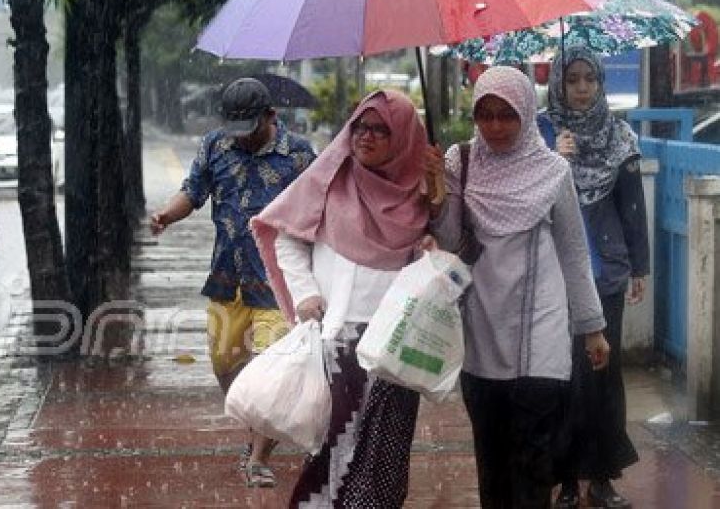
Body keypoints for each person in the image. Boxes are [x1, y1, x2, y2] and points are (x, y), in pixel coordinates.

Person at [426, 66, 611, 509]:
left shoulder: (552, 171)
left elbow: (572, 251)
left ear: (527, 114)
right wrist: (435, 191)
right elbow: (450, 242)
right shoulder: (459, 162)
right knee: (491, 461)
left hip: (540, 335)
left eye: (506, 115)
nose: (494, 127)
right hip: (481, 330)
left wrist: (592, 326)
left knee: (533, 462)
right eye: (484, 115)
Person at [251, 89, 434, 508]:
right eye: (360, 127)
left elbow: (450, 251)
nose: (366, 138)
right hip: (338, 338)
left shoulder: (423, 192)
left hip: (395, 346)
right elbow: (288, 238)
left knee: (385, 455)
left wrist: (436, 216)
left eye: (381, 130)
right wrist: (306, 294)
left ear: (403, 137)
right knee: (332, 446)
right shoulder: (329, 180)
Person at [149, 77, 316, 488]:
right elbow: (193, 191)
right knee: (225, 364)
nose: (241, 140)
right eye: (235, 130)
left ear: (271, 117)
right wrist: (167, 215)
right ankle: (258, 425)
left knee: (274, 372)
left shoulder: (299, 155)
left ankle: (259, 456)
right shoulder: (215, 146)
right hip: (229, 276)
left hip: (279, 283)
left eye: (251, 129)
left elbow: (321, 208)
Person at [539, 46, 649, 509]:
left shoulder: (620, 137)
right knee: (563, 376)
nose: (582, 88)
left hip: (606, 274)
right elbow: (527, 200)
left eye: (590, 79)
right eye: (572, 79)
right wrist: (551, 158)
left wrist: (640, 267)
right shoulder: (540, 132)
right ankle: (565, 479)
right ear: (558, 84)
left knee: (604, 376)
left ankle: (603, 477)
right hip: (556, 275)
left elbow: (632, 207)